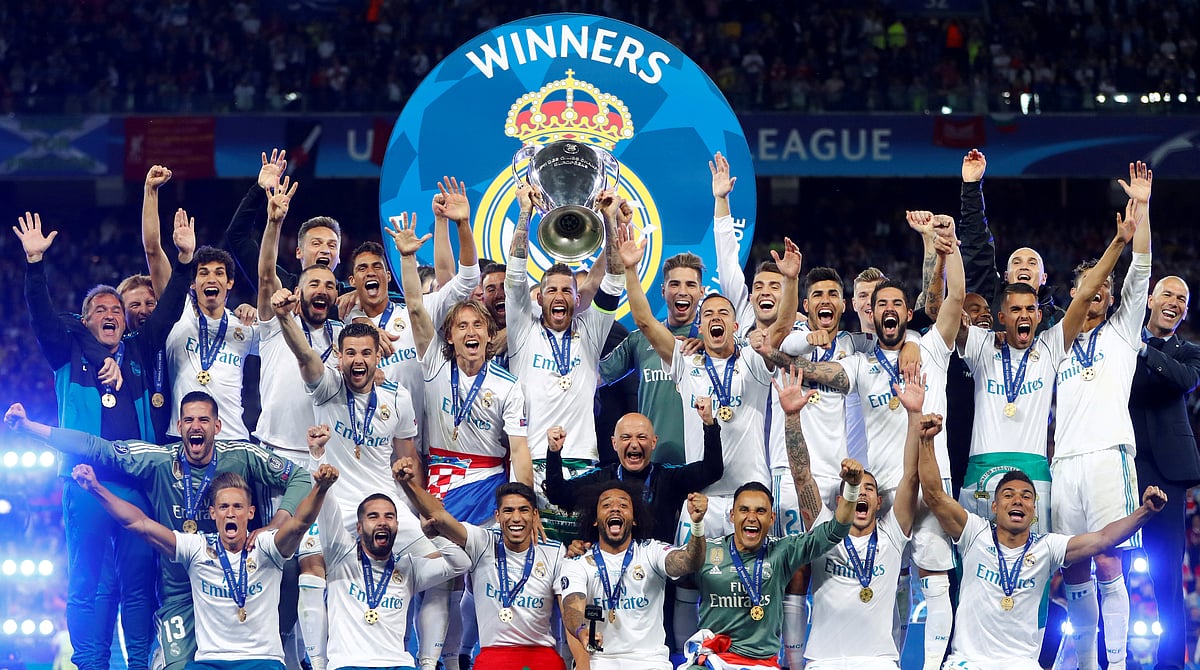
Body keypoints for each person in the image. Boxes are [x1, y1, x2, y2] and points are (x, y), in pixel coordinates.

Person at [758, 210, 965, 670]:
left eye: (898, 304)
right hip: (876, 485)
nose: (888, 310)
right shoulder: (860, 362)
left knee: (930, 575)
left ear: (907, 313)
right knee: (885, 580)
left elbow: (954, 301)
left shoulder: (927, 346)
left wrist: (947, 248)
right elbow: (825, 372)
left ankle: (929, 666)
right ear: (870, 312)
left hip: (923, 477)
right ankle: (882, 657)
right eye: (880, 304)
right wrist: (775, 356)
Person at [3, 394, 314, 670]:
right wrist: (31, 428)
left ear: (217, 427)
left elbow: (299, 477)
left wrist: (274, 527)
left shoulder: (242, 455)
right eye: (189, 420)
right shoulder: (158, 459)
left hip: (236, 588)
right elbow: (97, 448)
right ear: (178, 426)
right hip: (178, 590)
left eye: (204, 420)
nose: (196, 426)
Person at [15, 210, 196, 670]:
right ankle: (91, 663)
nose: (111, 314)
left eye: (117, 309)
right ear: (84, 320)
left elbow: (171, 304)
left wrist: (186, 260)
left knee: (139, 579)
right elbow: (41, 316)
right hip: (83, 480)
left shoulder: (138, 349)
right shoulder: (66, 350)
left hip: (136, 483)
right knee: (90, 582)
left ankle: (139, 663)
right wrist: (35, 265)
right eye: (100, 310)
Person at [391, 212, 533, 670]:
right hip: (436, 480)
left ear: (490, 335)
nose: (471, 333)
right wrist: (408, 260)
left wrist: (524, 504)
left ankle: (465, 656)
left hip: (485, 484)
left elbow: (520, 453)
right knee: (440, 581)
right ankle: (436, 663)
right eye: (461, 327)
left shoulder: (509, 386)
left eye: (479, 326)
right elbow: (415, 309)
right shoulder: (433, 365)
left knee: (466, 575)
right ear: (449, 337)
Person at [917, 412, 1168, 670]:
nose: (1017, 500)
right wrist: (926, 442)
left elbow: (1103, 539)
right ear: (994, 506)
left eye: (1026, 496)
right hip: (968, 663)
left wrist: (1144, 512)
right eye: (1008, 495)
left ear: (1034, 510)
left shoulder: (1047, 547)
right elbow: (935, 496)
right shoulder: (974, 533)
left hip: (1021, 664)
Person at [954, 203, 1130, 531]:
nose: (1023, 314)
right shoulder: (981, 344)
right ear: (1001, 317)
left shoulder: (1050, 346)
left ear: (1039, 315)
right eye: (1015, 309)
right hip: (981, 468)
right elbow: (948, 306)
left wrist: (1119, 242)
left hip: (1034, 471)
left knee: (1034, 568)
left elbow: (1087, 293)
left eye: (1030, 309)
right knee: (976, 571)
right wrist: (948, 248)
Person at [69, 463, 332, 670]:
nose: (231, 513)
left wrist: (319, 489)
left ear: (250, 513)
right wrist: (96, 489)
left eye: (238, 507)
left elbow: (299, 523)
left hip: (261, 661)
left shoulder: (266, 547)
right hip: (210, 662)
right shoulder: (196, 548)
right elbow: (140, 524)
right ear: (212, 513)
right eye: (224, 507)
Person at [1055, 165, 1153, 670]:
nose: (1095, 296)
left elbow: (1140, 273)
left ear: (1111, 298)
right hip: (1062, 464)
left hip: (1108, 455)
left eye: (1102, 291)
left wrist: (1142, 208)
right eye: (1086, 290)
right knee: (1072, 565)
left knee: (1110, 559)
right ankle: (1085, 662)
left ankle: (1115, 661)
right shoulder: (1056, 343)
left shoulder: (1120, 334)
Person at [504, 183, 626, 540]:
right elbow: (514, 275)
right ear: (539, 298)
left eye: (567, 290)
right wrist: (525, 212)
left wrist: (608, 218)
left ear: (577, 298)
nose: (560, 296)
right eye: (552, 290)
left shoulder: (589, 331)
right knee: (534, 568)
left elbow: (615, 279)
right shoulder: (521, 330)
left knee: (580, 565)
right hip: (532, 466)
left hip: (583, 465)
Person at [392, 459, 570, 670]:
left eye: (523, 510)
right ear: (497, 516)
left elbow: (567, 611)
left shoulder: (555, 551)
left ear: (535, 515)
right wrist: (407, 484)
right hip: (494, 657)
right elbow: (439, 516)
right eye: (508, 511)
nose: (516, 518)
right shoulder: (482, 542)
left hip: (540, 655)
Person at [803, 362, 924, 670]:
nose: (863, 493)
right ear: (842, 499)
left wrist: (914, 414)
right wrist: (792, 416)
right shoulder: (823, 533)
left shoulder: (893, 536)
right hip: (824, 662)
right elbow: (803, 478)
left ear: (879, 501)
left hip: (879, 662)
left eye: (869, 489)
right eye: (856, 488)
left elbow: (910, 476)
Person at [684, 458, 860, 667]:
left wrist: (852, 488)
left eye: (760, 511)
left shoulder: (783, 551)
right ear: (732, 516)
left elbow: (835, 531)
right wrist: (696, 525)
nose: (751, 517)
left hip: (761, 664)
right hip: (714, 661)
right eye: (744, 510)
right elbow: (674, 568)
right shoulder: (707, 551)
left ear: (772, 518)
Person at [560, 482, 708, 670]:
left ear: (635, 519)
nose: (615, 508)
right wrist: (581, 631)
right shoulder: (578, 562)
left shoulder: (651, 551)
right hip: (600, 663)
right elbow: (572, 606)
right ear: (595, 519)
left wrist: (697, 525)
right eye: (606, 505)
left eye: (623, 505)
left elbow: (690, 562)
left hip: (651, 663)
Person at [1131, 276, 1200, 670]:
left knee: (1168, 577)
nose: (1174, 302)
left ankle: (1170, 665)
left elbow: (1185, 380)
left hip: (1169, 473)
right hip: (1122, 465)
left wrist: (1144, 350)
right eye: (1168, 294)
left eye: (1183, 299)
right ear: (1151, 299)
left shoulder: (1189, 352)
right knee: (1112, 567)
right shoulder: (1120, 341)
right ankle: (1111, 659)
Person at [544, 401, 724, 544]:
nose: (634, 443)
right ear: (614, 444)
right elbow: (558, 495)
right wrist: (553, 453)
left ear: (653, 442)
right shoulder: (600, 478)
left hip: (655, 571)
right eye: (626, 437)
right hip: (609, 568)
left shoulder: (668, 477)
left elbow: (712, 470)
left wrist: (710, 425)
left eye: (642, 437)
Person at [598, 252, 708, 465]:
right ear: (663, 290)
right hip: (651, 465)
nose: (682, 291)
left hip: (701, 462)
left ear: (702, 291)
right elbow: (595, 378)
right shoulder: (639, 340)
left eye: (690, 285)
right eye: (675, 284)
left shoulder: (714, 342)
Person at [958, 148, 1065, 330]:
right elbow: (977, 249)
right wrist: (971, 186)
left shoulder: (1057, 319)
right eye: (1016, 262)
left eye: (1032, 263)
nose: (1024, 266)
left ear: (1044, 278)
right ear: (1006, 276)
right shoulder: (989, 302)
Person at [165, 243, 259, 440]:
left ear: (229, 282)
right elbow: (154, 254)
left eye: (219, 273)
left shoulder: (243, 325)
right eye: (203, 273)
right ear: (193, 282)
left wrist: (260, 316)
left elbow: (280, 345)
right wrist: (184, 253)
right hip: (181, 436)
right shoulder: (178, 315)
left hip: (233, 438)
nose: (211, 279)